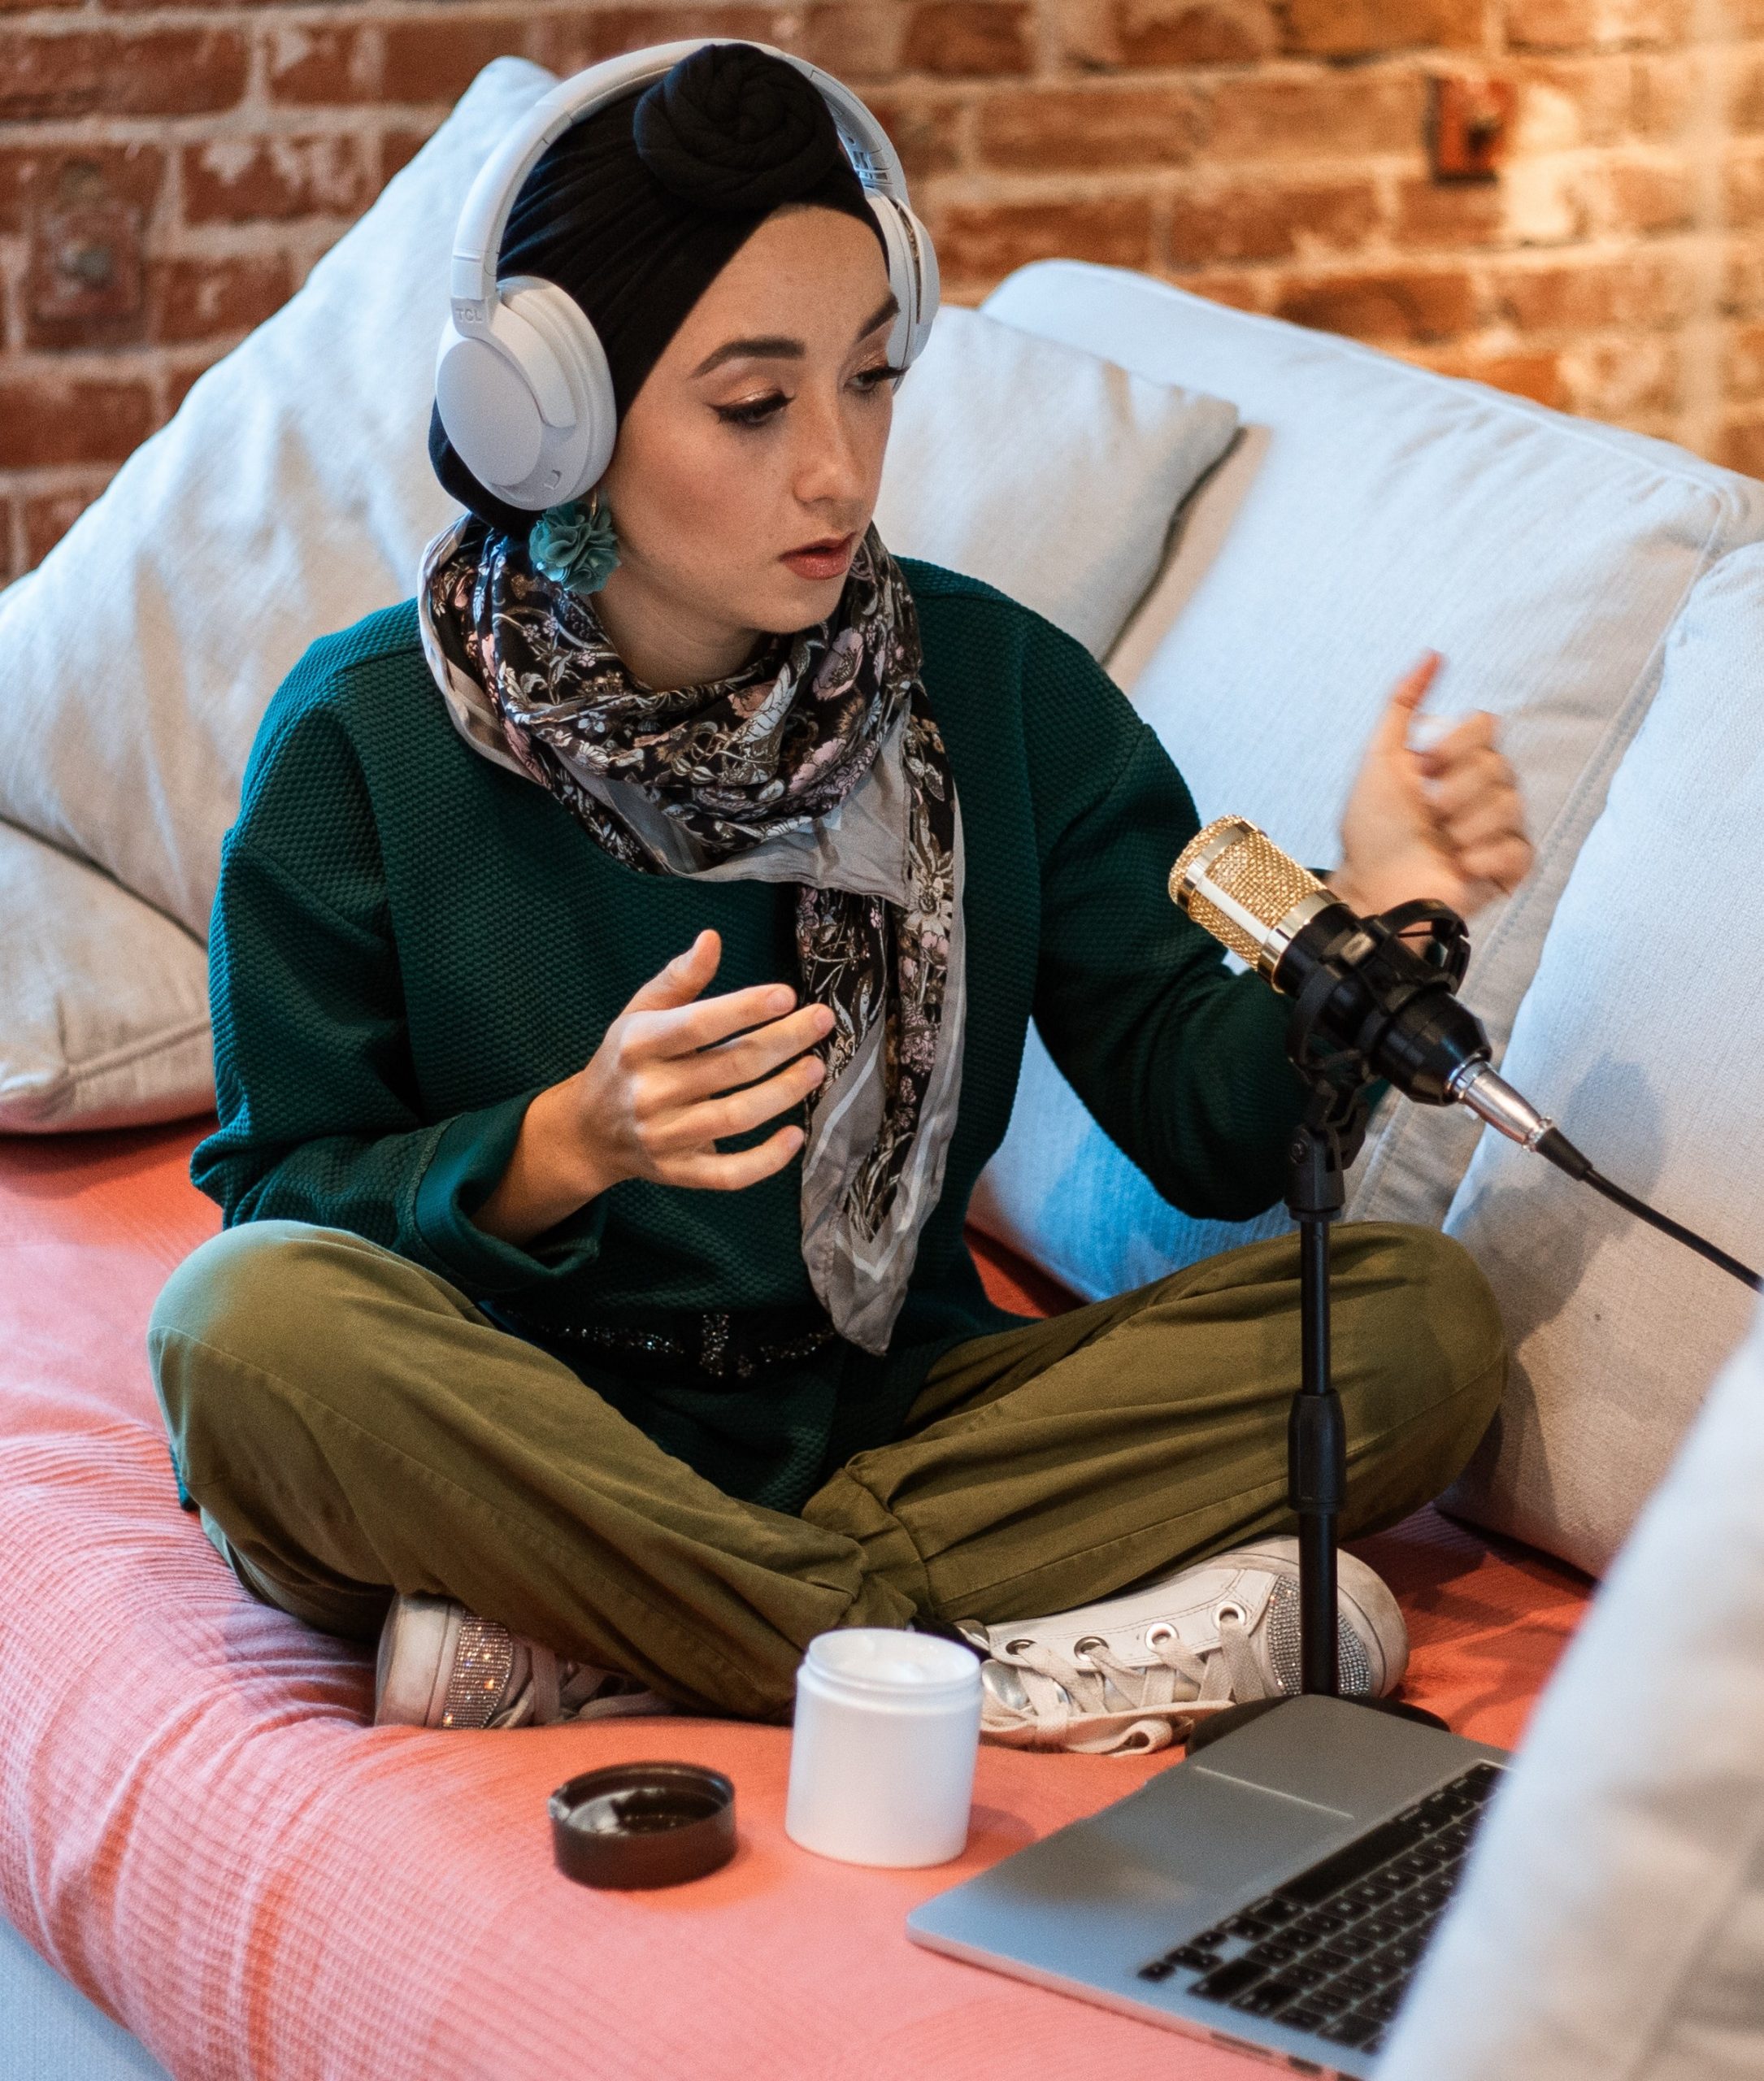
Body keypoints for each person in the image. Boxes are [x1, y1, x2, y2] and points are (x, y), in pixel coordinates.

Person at [149, 42, 1531, 1753]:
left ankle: (650, 1635)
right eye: (752, 403)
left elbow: (1206, 1123)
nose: (837, 469)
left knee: (1414, 1328)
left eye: (869, 380)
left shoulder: (997, 689)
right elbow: (284, 1203)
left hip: (888, 1413)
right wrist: (555, 1147)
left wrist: (1368, 917)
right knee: (242, 1334)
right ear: (553, 424)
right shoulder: (362, 739)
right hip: (517, 1424)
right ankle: (967, 1655)